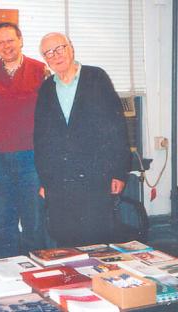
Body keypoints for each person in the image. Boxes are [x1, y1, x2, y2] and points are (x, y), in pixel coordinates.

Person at [34, 33, 131, 247]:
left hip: (95, 176)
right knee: (64, 238)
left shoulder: (96, 77)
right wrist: (45, 180)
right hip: (60, 181)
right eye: (49, 53)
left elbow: (117, 127)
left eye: (60, 48)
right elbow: (41, 139)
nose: (56, 55)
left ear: (71, 48)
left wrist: (118, 171)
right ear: (45, 59)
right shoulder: (46, 88)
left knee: (97, 238)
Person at [0, 22, 50, 257]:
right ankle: (7, 275)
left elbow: (52, 116)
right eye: (1, 42)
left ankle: (38, 272)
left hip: (31, 157)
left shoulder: (41, 70)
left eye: (10, 40)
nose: (6, 46)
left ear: (20, 40)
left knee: (35, 220)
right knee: (2, 222)